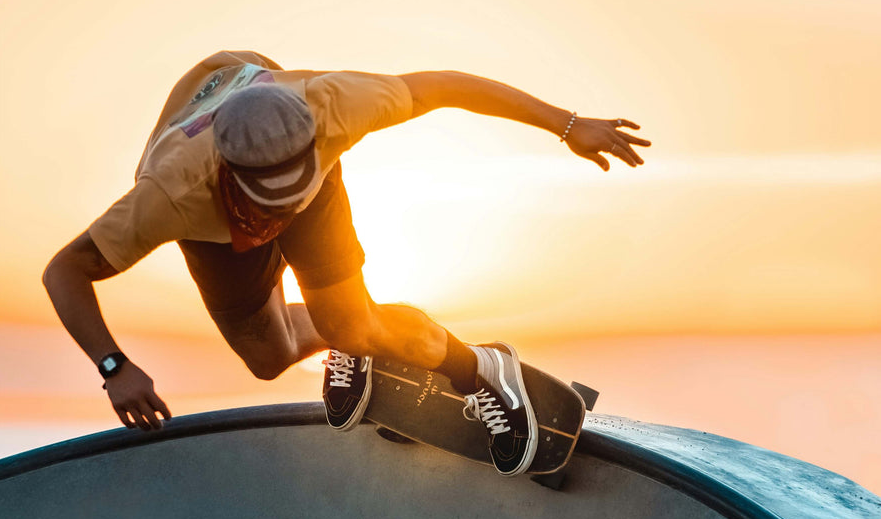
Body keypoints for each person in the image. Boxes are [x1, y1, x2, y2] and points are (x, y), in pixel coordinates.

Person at [43, 49, 649, 475]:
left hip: (273, 127)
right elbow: (65, 271)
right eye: (266, 211)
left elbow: (445, 86)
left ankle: (481, 370)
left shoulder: (332, 107)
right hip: (210, 210)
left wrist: (567, 125)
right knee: (268, 357)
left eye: (293, 199)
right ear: (229, 183)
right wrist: (114, 365)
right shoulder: (170, 195)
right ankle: (346, 330)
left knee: (351, 325)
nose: (280, 221)